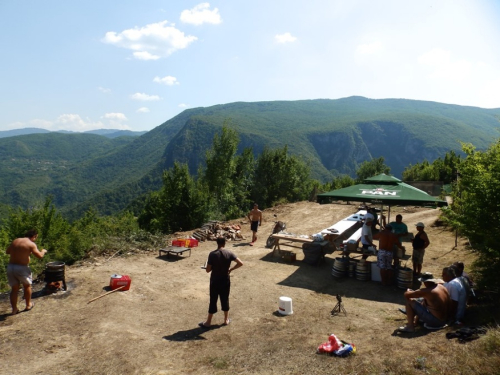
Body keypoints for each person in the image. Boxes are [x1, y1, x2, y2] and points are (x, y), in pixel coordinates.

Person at [199, 237, 243, 328]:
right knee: (225, 298)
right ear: (224, 243)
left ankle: (208, 322)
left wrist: (208, 267)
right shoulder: (229, 253)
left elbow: (208, 270)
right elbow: (240, 263)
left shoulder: (212, 254)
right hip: (225, 280)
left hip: (215, 280)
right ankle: (226, 320)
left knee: (213, 299)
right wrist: (231, 269)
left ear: (217, 243)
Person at [6, 229, 48, 315]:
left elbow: (8, 251)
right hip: (21, 268)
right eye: (36, 237)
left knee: (14, 289)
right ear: (34, 236)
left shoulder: (16, 240)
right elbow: (39, 256)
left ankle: (14, 309)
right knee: (27, 286)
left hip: (10, 267)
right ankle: (28, 305)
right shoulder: (31, 244)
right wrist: (43, 251)